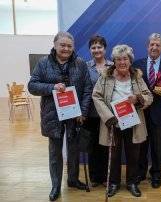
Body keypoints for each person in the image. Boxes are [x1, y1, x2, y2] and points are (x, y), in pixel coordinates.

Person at [28, 31, 92, 201]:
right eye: (62, 45)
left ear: (73, 48)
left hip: (74, 115)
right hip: (52, 115)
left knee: (74, 150)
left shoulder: (80, 63)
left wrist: (83, 112)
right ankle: (56, 185)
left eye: (69, 46)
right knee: (55, 152)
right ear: (55, 45)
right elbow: (32, 86)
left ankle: (72, 180)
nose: (66, 48)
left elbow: (87, 89)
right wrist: (52, 88)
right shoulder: (43, 63)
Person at [92, 44, 153, 197]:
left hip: (133, 122)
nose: (122, 62)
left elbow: (149, 96)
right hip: (113, 122)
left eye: (125, 58)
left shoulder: (137, 77)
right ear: (114, 61)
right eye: (118, 59)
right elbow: (96, 96)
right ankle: (113, 183)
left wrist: (138, 98)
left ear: (130, 60)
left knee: (134, 155)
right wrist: (108, 117)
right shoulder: (105, 77)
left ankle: (132, 183)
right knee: (113, 155)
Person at [132, 33, 161, 188]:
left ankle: (156, 174)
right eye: (152, 44)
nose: (154, 47)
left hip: (159, 112)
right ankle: (140, 172)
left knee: (158, 146)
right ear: (147, 46)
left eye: (158, 45)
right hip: (140, 112)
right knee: (141, 145)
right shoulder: (136, 64)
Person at [84, 35, 113, 187]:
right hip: (91, 113)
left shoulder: (113, 65)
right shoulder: (85, 66)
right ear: (90, 50)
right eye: (93, 47)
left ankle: (105, 178)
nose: (97, 50)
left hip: (108, 113)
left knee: (106, 145)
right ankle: (95, 178)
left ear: (105, 49)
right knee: (93, 146)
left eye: (99, 47)